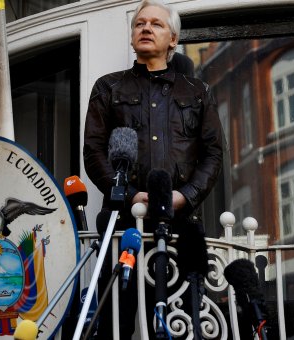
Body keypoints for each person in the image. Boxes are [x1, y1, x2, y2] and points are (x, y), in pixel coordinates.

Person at [83, 0, 224, 337]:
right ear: (132, 36)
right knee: (115, 323)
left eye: (156, 24)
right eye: (139, 24)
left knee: (181, 323)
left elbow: (213, 154)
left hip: (180, 227)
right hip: (123, 228)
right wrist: (131, 196)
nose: (145, 28)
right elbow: (94, 153)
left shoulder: (198, 91)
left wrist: (184, 197)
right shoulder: (109, 87)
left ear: (173, 39)